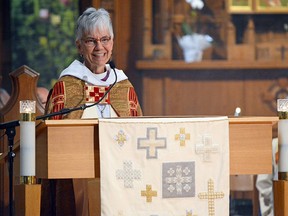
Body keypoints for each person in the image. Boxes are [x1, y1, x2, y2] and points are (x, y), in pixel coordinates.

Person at [41, 7, 143, 216]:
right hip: (76, 184)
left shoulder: (124, 87)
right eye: (91, 41)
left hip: (120, 182)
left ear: (112, 43)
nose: (99, 47)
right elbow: (53, 142)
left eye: (105, 39)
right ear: (79, 45)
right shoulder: (66, 87)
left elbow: (139, 135)